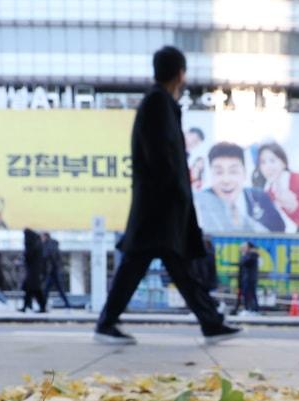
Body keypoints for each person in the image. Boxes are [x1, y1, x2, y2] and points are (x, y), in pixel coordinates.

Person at [93, 47, 240, 345]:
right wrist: (178, 197)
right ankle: (107, 324)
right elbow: (164, 157)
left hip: (159, 207)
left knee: (174, 266)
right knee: (147, 264)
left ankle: (210, 322)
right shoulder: (158, 104)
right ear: (181, 74)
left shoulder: (158, 103)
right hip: (159, 208)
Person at [194, 143, 286, 234]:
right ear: (211, 175)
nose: (226, 180)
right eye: (219, 172)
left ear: (244, 173)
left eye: (233, 171)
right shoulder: (200, 201)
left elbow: (279, 231)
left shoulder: (260, 197)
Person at [20, 228, 47, 313]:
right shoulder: (36, 243)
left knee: (35, 290)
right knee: (31, 289)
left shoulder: (33, 245)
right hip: (34, 271)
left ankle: (41, 307)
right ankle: (25, 306)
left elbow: (28, 257)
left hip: (33, 271)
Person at [41, 233, 71, 308]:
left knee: (47, 290)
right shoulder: (53, 245)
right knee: (49, 290)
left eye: (42, 237)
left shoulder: (49, 246)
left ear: (45, 237)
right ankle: (67, 305)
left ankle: (43, 307)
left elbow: (46, 256)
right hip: (54, 271)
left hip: (53, 271)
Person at [236, 241, 260, 315]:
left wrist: (244, 254)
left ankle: (253, 310)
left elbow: (244, 262)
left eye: (244, 247)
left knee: (251, 294)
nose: (243, 249)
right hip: (246, 279)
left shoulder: (252, 255)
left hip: (250, 279)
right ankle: (249, 309)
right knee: (247, 295)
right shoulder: (249, 255)